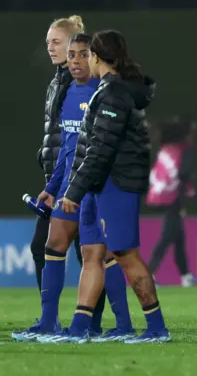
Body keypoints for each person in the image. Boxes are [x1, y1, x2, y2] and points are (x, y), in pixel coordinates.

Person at [50, 30, 169, 344]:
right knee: (93, 254)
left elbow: (101, 148)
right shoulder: (107, 91)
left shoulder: (114, 94)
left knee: (125, 254)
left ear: (96, 57)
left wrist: (73, 192)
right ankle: (78, 328)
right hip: (102, 184)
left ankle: (156, 327)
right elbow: (92, 146)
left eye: (87, 54)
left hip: (116, 184)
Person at [13, 19, 108, 342]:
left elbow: (88, 140)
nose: (51, 47)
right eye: (49, 42)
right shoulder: (59, 83)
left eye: (57, 42)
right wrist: (52, 181)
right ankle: (54, 321)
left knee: (91, 253)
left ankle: (92, 324)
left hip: (82, 183)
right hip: (61, 178)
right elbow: (60, 137)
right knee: (51, 247)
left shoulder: (91, 85)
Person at [147, 116, 197, 287]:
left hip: (159, 195)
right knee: (168, 236)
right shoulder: (185, 149)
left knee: (178, 237)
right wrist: (186, 193)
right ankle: (148, 274)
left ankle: (186, 275)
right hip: (173, 197)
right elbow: (183, 173)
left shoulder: (165, 149)